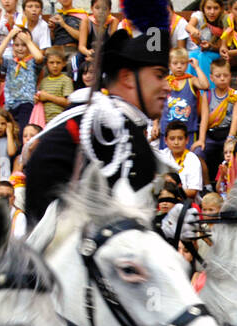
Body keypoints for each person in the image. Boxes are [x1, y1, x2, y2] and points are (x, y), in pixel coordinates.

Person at [24, 20, 176, 218]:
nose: (167, 86)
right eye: (159, 75)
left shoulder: (117, 126)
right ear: (127, 78)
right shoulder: (106, 127)